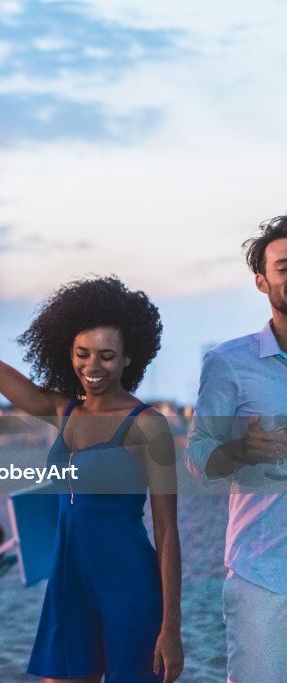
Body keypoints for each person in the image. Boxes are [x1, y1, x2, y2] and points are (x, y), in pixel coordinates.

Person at [0, 227, 183, 683]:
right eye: (83, 354)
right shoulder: (61, 410)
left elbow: (166, 529)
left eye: (106, 356)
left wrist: (172, 627)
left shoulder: (147, 425)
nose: (91, 367)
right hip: (68, 584)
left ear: (126, 360)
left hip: (129, 585)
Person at [186, 215, 287, 683]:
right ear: (262, 282)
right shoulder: (229, 363)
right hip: (264, 574)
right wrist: (243, 450)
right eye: (284, 266)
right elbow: (199, 461)